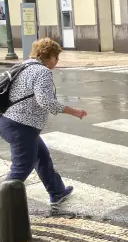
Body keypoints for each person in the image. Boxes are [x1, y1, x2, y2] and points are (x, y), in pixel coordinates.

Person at [0, 38, 87, 204]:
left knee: (42, 157)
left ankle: (57, 192)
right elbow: (46, 101)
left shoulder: (24, 65)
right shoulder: (42, 72)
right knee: (22, 167)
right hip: (21, 125)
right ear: (50, 56)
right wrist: (74, 111)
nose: (57, 62)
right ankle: (4, 206)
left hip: (10, 121)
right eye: (57, 57)